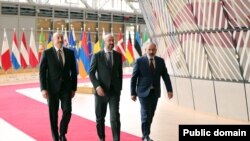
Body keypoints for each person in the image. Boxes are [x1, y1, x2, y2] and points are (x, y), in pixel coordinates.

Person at [130, 42, 173, 141]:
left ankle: (145, 133)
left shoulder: (161, 61)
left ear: (156, 50)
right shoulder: (139, 61)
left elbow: (165, 76)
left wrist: (169, 90)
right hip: (143, 92)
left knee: (151, 114)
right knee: (145, 113)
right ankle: (146, 136)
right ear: (145, 50)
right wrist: (132, 93)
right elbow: (134, 77)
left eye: (153, 49)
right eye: (149, 49)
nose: (151, 51)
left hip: (155, 92)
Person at [39, 32, 77, 141]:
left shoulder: (70, 53)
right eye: (58, 38)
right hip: (51, 89)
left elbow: (74, 72)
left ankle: (62, 133)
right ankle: (55, 137)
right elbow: (42, 72)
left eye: (61, 38)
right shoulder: (47, 53)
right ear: (53, 40)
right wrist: (43, 88)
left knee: (67, 111)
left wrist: (74, 88)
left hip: (66, 89)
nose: (60, 40)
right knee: (53, 115)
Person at [89, 33, 123, 141]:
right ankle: (102, 138)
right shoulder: (97, 55)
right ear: (105, 41)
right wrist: (97, 87)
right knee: (100, 118)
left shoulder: (118, 56)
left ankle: (116, 139)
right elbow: (91, 73)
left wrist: (119, 89)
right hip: (101, 92)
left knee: (115, 118)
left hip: (114, 92)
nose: (112, 42)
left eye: (113, 40)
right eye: (109, 40)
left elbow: (120, 73)